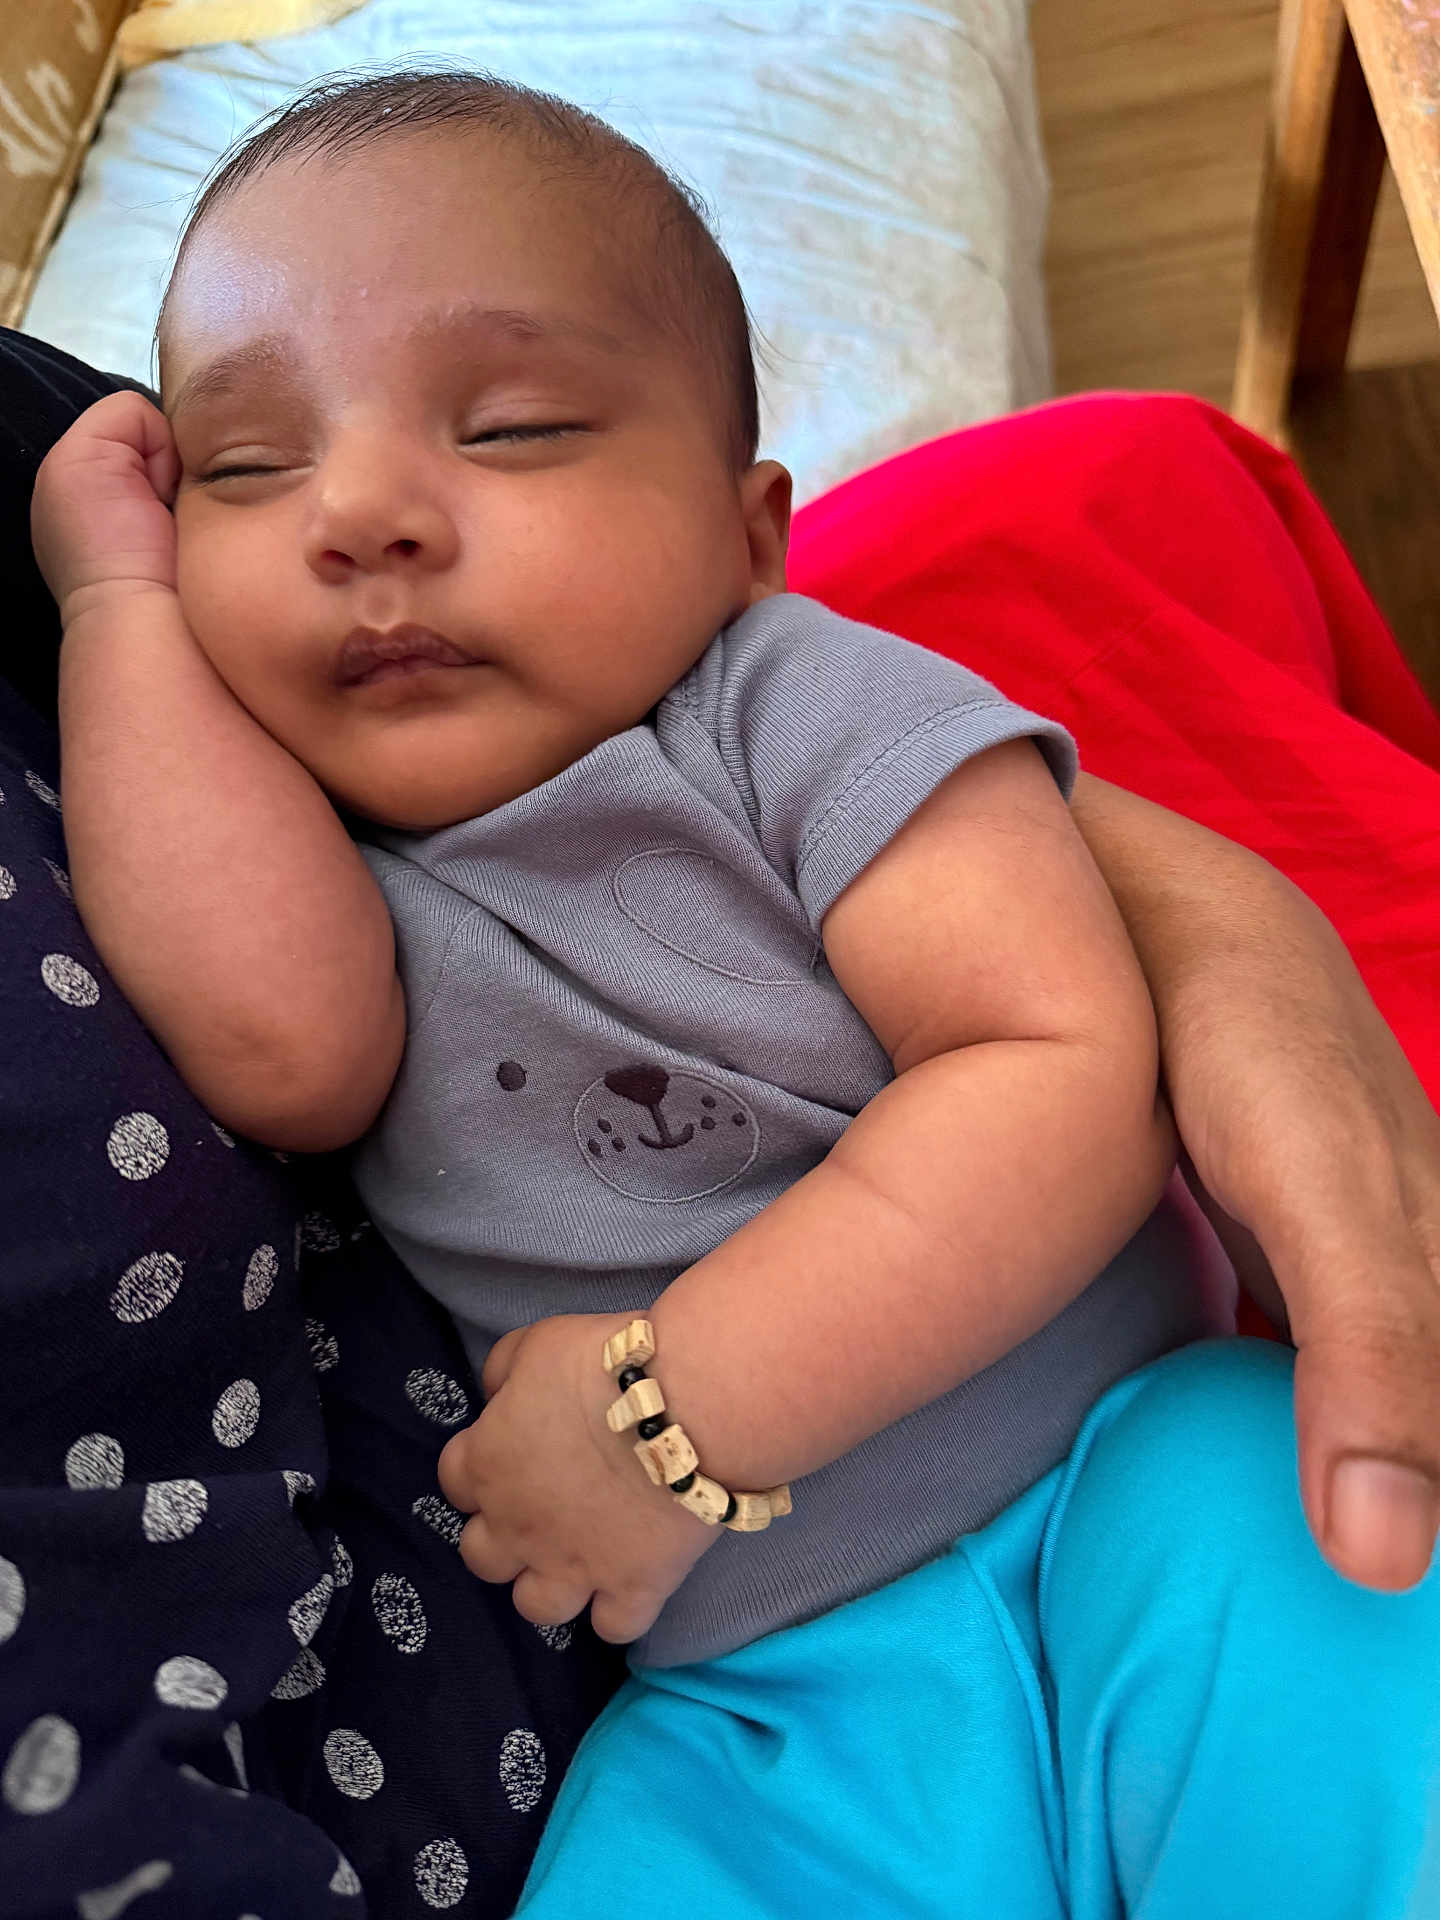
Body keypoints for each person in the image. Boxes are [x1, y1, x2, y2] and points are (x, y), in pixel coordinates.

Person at [16, 69, 1440, 1917]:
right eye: (245, 468)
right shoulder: (316, 854)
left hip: (1124, 1479)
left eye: (512, 428)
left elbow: (1055, 1062)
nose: (357, 513)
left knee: (1338, 1617)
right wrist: (119, 606)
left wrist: (670, 1413)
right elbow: (282, 1052)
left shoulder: (787, 706)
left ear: (748, 534)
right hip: (764, 1699)